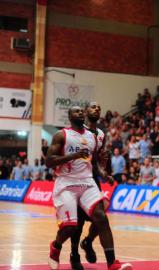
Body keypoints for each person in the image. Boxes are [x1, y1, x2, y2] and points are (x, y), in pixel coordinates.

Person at [46, 106, 131, 270]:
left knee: (101, 217)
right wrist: (74, 155)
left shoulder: (93, 137)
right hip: (66, 183)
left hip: (87, 181)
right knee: (70, 227)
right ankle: (56, 247)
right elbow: (49, 161)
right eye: (75, 111)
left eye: (81, 111)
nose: (80, 113)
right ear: (70, 116)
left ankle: (112, 263)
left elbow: (93, 163)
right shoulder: (61, 135)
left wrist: (103, 173)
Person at [69, 102, 116, 269]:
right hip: (75, 180)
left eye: (99, 108)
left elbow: (97, 163)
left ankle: (88, 242)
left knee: (100, 218)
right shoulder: (76, 131)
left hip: (92, 180)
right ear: (86, 112)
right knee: (79, 222)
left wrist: (105, 172)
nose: (96, 109)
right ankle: (74, 254)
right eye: (93, 107)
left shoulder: (101, 134)